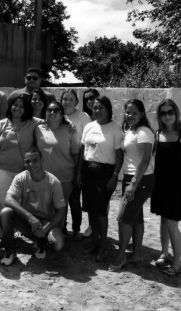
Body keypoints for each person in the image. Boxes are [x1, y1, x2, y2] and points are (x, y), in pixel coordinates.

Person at [109, 99, 155, 272]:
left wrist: (133, 184)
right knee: (135, 217)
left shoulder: (143, 132)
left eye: (135, 112)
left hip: (140, 179)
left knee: (123, 218)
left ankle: (121, 256)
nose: (130, 115)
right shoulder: (129, 130)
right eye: (128, 112)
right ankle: (136, 254)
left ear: (142, 114)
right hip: (131, 177)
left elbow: (144, 160)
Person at [0, 147, 65, 266]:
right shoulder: (21, 177)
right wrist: (29, 217)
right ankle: (10, 250)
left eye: (35, 160)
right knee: (5, 212)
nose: (31, 164)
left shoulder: (54, 182)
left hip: (45, 223)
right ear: (24, 162)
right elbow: (8, 199)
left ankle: (40, 244)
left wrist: (45, 229)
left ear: (42, 161)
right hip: (27, 221)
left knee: (58, 244)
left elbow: (61, 211)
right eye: (28, 161)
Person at [77, 96, 124, 263]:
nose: (97, 111)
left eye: (101, 108)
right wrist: (79, 173)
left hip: (105, 174)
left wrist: (114, 175)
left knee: (101, 211)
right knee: (90, 209)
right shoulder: (89, 126)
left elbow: (119, 155)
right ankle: (95, 243)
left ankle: (104, 245)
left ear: (108, 109)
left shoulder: (115, 128)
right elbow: (83, 151)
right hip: (88, 171)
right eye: (95, 108)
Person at [151, 99, 181, 276]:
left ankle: (177, 263)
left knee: (171, 223)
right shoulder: (157, 133)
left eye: (171, 112)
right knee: (163, 220)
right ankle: (164, 253)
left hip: (178, 186)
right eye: (163, 113)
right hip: (161, 184)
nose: (167, 115)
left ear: (176, 113)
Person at [0, 94, 40, 219]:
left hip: (24, 172)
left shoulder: (34, 123)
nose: (18, 108)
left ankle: (17, 230)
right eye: (15, 105)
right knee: (2, 203)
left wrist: (69, 124)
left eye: (22, 106)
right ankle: (1, 230)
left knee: (20, 204)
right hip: (3, 170)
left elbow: (52, 121)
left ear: (26, 109)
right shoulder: (1, 124)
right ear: (10, 106)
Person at [36, 101, 80, 238]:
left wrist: (78, 174)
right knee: (45, 206)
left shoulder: (70, 130)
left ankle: (58, 234)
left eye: (56, 110)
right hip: (44, 176)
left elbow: (76, 154)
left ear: (62, 114)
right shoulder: (38, 128)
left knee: (60, 207)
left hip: (65, 176)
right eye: (49, 110)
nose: (52, 113)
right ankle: (46, 233)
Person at [60, 89, 91, 239]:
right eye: (65, 99)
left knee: (74, 200)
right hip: (60, 162)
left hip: (78, 161)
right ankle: (63, 228)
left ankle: (77, 228)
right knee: (61, 200)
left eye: (71, 99)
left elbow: (88, 137)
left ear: (76, 102)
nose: (67, 102)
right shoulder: (57, 115)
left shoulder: (83, 116)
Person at [81, 88, 100, 238]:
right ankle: (91, 226)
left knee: (101, 200)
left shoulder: (104, 116)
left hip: (102, 164)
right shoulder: (85, 117)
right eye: (86, 99)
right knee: (89, 199)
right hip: (87, 163)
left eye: (92, 97)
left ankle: (99, 227)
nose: (89, 101)